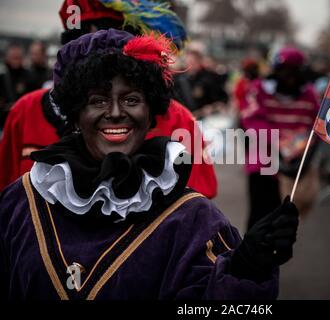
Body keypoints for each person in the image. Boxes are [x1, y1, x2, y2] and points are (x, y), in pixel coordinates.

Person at [0, 29, 299, 300]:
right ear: (76, 112)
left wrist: (245, 270)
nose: (115, 112)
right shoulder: (22, 200)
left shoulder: (194, 218)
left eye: (131, 99)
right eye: (98, 100)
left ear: (151, 111)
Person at [0, 0, 217, 198]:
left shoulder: (179, 118)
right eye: (87, 39)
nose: (114, 113)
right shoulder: (26, 111)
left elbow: (197, 201)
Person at [241, 47, 320, 228]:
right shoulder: (259, 89)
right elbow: (252, 120)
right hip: (263, 163)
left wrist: (302, 145)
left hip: (295, 164)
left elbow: (315, 125)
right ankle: (252, 255)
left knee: (284, 222)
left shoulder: (309, 94)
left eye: (293, 72)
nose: (289, 77)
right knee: (260, 218)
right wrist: (279, 141)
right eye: (285, 71)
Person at [0, 44, 32, 131]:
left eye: (18, 57)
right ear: (7, 57)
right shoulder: (2, 77)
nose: (16, 60)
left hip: (23, 120)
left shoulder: (29, 76)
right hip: (4, 121)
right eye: (13, 57)